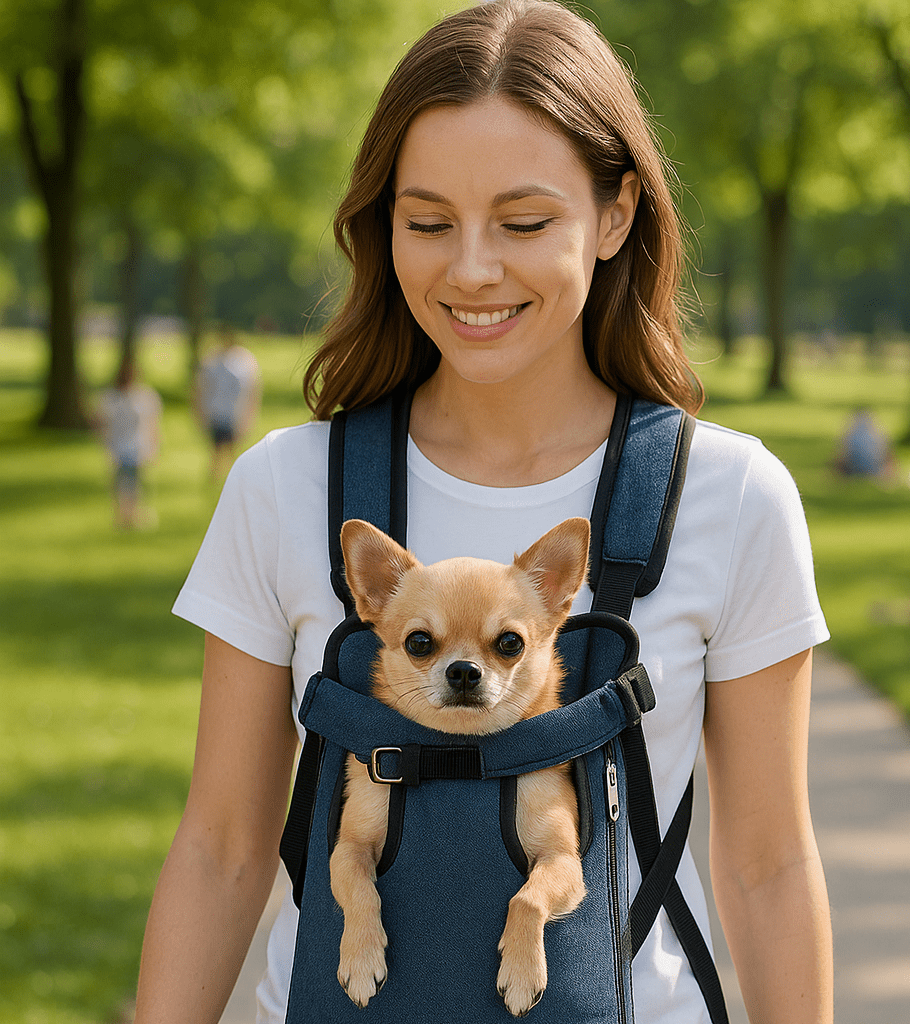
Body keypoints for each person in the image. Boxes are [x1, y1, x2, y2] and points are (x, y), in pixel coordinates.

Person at [135, 3, 833, 1022]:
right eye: (426, 222)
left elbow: (769, 865)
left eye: (522, 222)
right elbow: (221, 847)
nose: (468, 268)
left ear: (615, 215)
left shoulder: (730, 496)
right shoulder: (283, 486)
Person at [95, 361, 162, 530]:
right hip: (125, 446)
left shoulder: (118, 398)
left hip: (130, 446)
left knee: (127, 481)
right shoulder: (120, 398)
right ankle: (127, 515)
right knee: (128, 481)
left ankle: (128, 515)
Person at [193, 324, 262, 479]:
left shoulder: (245, 361)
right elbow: (201, 388)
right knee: (216, 450)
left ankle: (232, 478)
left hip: (235, 413)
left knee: (233, 450)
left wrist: (249, 415)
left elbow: (252, 391)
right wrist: (200, 411)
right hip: (216, 411)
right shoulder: (211, 360)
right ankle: (217, 479)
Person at [832, 407, 896, 481]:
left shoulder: (850, 432)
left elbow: (842, 456)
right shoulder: (877, 432)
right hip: (874, 470)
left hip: (853, 470)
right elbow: (888, 455)